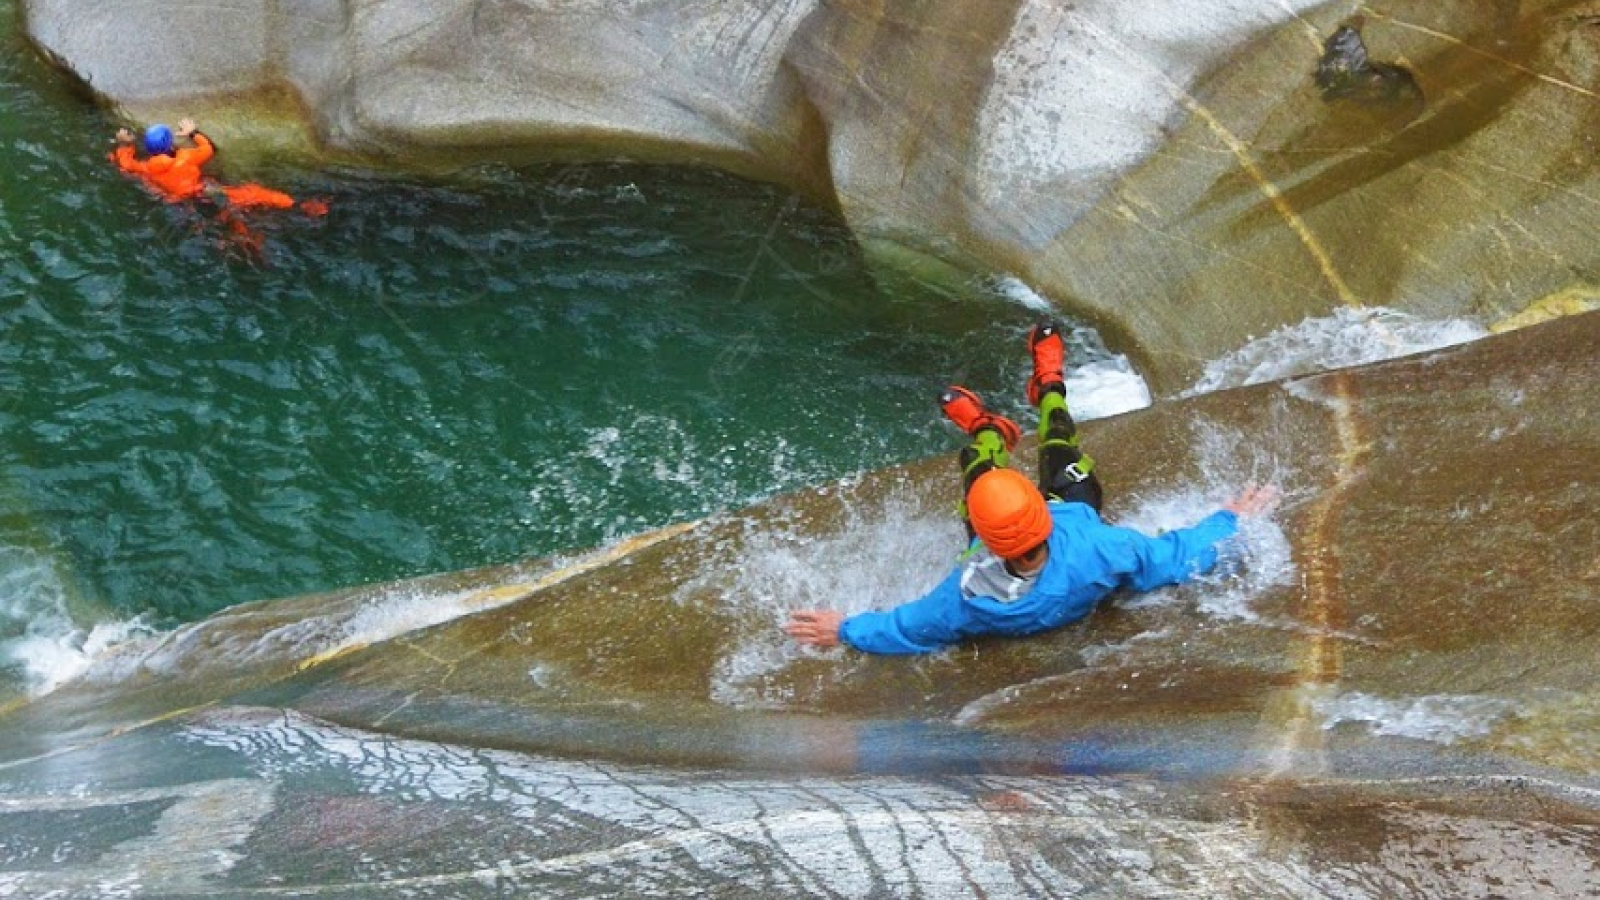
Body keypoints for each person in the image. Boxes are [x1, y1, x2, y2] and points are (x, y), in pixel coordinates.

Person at [783, 322, 1278, 654]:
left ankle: (987, 431)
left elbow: (906, 627)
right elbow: (1173, 557)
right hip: (1074, 511)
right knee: (1060, 444)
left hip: (1017, 530)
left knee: (975, 468)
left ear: (983, 535)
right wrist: (1231, 521)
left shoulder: (965, 596)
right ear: (1041, 514)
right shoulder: (1102, 548)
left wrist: (845, 630)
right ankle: (1049, 385)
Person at [110, 118, 327, 215]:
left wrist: (124, 144)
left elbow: (125, 164)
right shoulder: (185, 157)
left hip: (178, 203)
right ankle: (300, 206)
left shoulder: (146, 167)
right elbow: (210, 148)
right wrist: (192, 132)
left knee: (225, 218)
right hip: (203, 192)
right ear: (170, 142)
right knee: (255, 193)